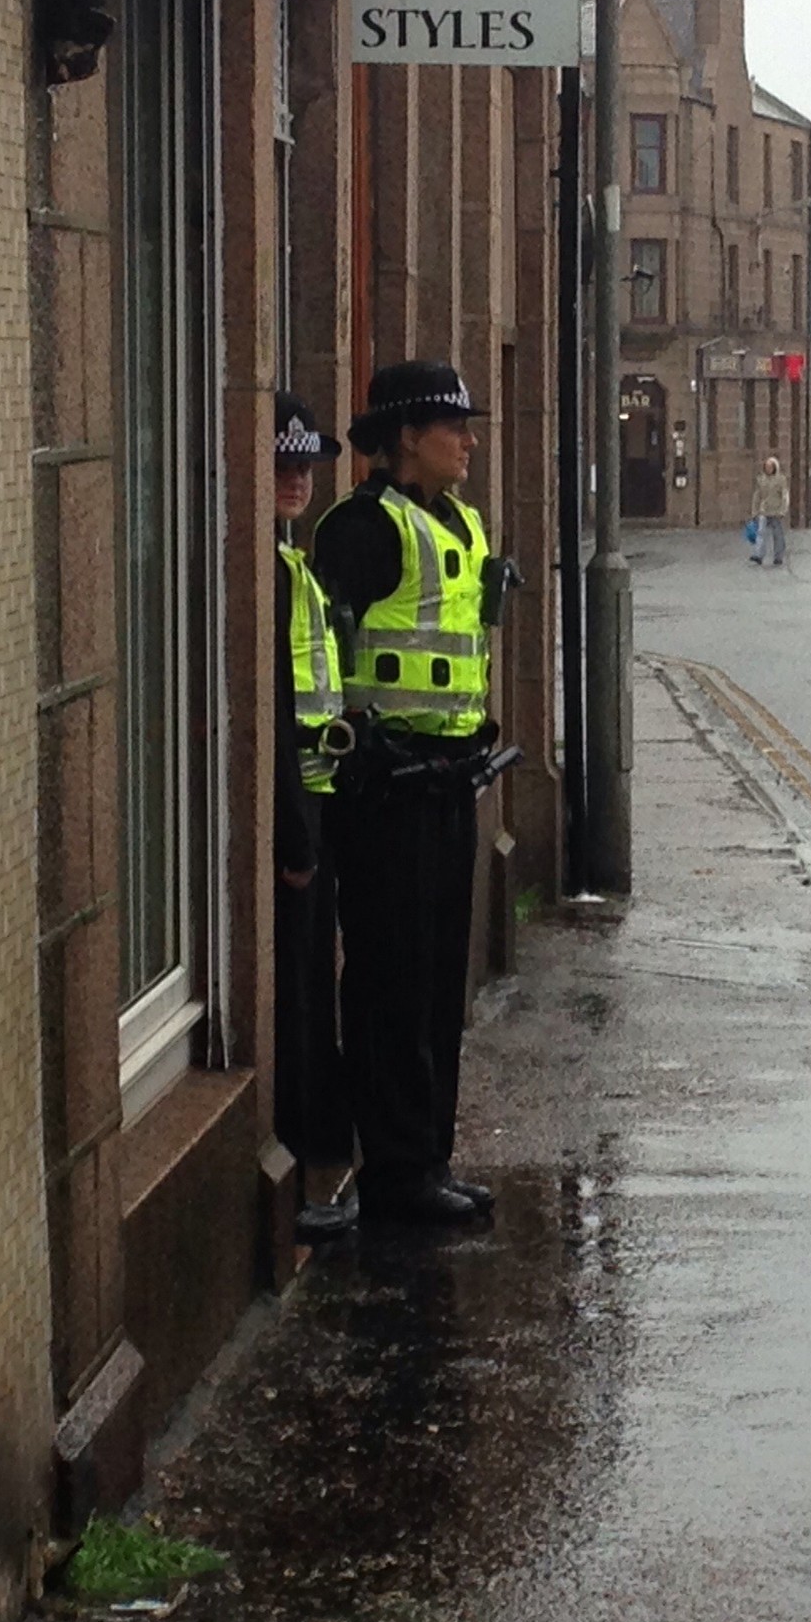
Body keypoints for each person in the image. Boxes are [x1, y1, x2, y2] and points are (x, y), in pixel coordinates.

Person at [308, 361, 503, 1228]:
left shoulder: (462, 523)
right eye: (450, 427)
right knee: (390, 983)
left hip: (449, 784)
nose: (468, 441)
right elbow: (320, 654)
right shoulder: (360, 528)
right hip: (383, 791)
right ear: (403, 441)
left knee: (434, 982)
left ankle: (429, 1156)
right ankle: (394, 1172)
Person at [272, 393, 357, 1243]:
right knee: (292, 993)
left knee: (310, 986)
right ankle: (297, 1165)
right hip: (292, 819)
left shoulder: (291, 562)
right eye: (281, 462)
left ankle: (318, 1151)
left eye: (306, 463)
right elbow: (267, 713)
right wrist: (295, 835)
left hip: (320, 803)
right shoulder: (260, 569)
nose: (297, 477)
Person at [750, 454, 791, 568]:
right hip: (764, 510)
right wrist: (754, 511)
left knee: (778, 535)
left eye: (770, 467)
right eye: (766, 467)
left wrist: (783, 510)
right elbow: (757, 496)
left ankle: (778, 556)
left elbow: (784, 495)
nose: (768, 469)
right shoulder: (761, 480)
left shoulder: (781, 480)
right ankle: (759, 555)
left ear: (775, 468)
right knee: (761, 533)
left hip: (776, 511)